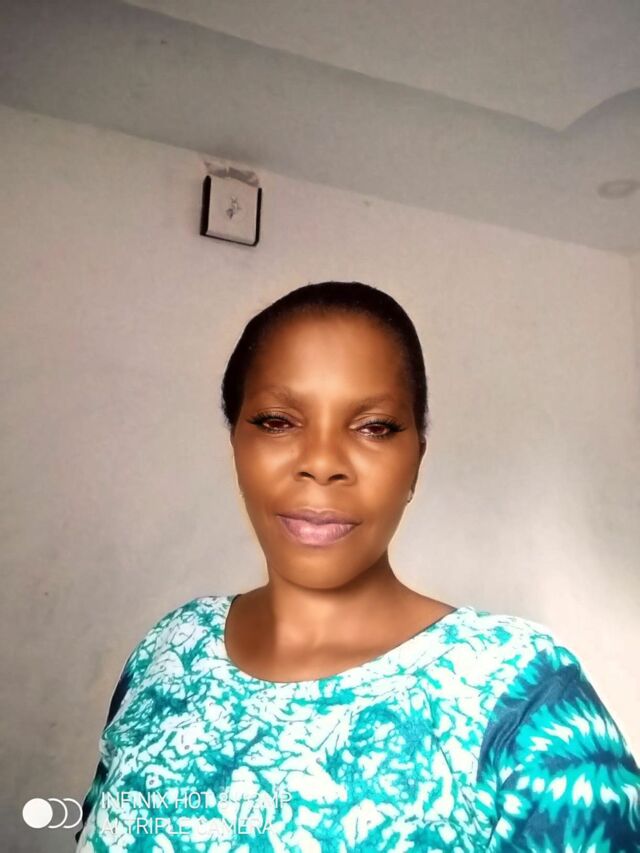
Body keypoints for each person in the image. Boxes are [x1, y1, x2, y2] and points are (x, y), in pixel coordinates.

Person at [75, 281, 640, 851]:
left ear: (415, 459)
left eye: (374, 427)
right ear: (236, 444)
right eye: (277, 421)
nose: (322, 463)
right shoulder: (170, 649)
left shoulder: (523, 696)